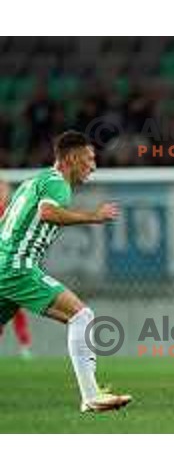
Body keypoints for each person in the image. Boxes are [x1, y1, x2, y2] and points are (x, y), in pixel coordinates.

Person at [0, 131, 132, 412]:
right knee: (81, 315)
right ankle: (91, 395)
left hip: (4, 264)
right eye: (89, 159)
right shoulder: (59, 185)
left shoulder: (33, 181)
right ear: (72, 158)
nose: (93, 167)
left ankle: (92, 393)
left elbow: (7, 220)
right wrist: (93, 216)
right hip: (16, 267)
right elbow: (47, 213)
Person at [0, 181, 33, 358]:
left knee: (15, 307)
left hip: (8, 266)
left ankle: (24, 345)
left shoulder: (11, 212)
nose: (4, 193)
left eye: (4, 189)